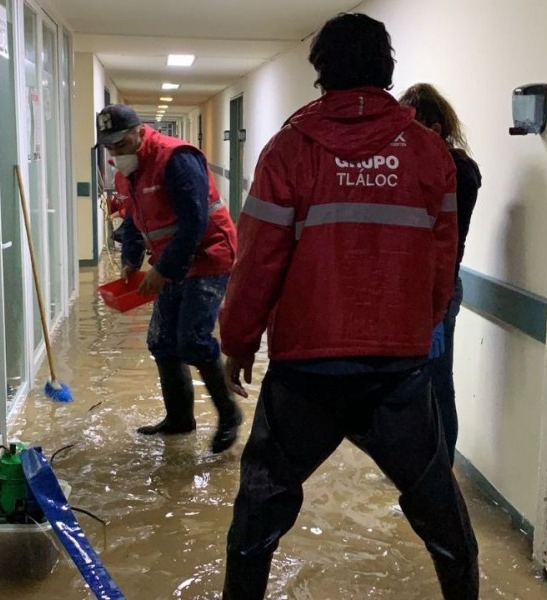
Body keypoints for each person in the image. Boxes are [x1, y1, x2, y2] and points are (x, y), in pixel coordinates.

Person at [218, 13, 478, 600]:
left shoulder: (290, 148)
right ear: (387, 69)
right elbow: (443, 262)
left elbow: (258, 259)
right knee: (442, 512)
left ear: (320, 71)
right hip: (397, 371)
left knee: (259, 517)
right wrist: (420, 328)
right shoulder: (428, 152)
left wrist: (237, 341)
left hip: (308, 369)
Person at [96, 104, 242, 454]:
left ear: (140, 131)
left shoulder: (176, 159)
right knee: (162, 342)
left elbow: (194, 222)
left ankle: (229, 415)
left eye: (121, 143)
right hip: (173, 259)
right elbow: (133, 219)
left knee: (191, 339)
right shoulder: (125, 171)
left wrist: (163, 272)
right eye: (109, 147)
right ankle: (179, 420)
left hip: (210, 253)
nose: (116, 152)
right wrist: (131, 260)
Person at [399, 84, 482, 465]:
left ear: (434, 127)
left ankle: (440, 472)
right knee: (412, 385)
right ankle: (416, 468)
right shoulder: (421, 163)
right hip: (411, 290)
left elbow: (442, 238)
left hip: (440, 289)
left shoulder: (459, 170)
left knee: (436, 385)